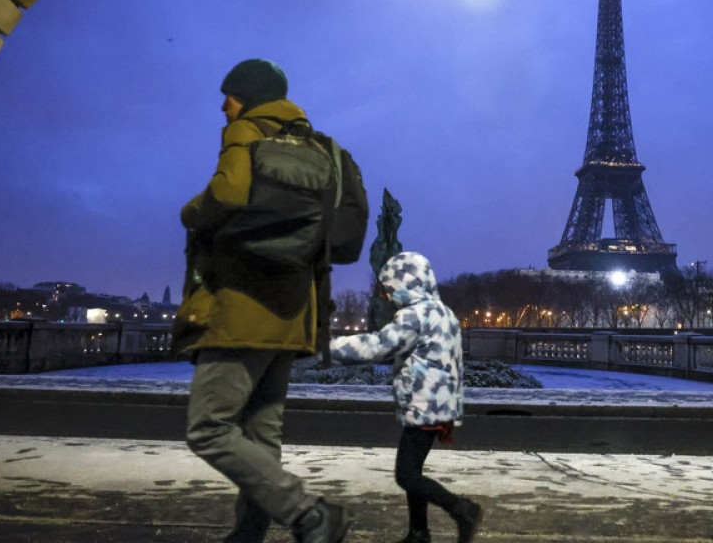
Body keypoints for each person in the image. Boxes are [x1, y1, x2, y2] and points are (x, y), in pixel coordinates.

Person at [172, 58, 368, 543]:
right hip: (295, 312)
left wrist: (190, 211)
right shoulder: (323, 147)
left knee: (209, 428)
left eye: (231, 95)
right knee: (262, 434)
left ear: (251, 97)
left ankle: (309, 514)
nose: (224, 105)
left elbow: (229, 192)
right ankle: (249, 535)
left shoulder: (246, 131)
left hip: (241, 305)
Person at [330, 251, 484, 543]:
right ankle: (418, 533)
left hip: (423, 405)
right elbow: (456, 364)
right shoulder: (445, 313)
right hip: (439, 405)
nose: (386, 296)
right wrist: (452, 410)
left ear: (403, 284)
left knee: (406, 475)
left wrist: (331, 348)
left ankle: (461, 509)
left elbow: (378, 346)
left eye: (388, 288)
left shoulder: (414, 316)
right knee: (413, 470)